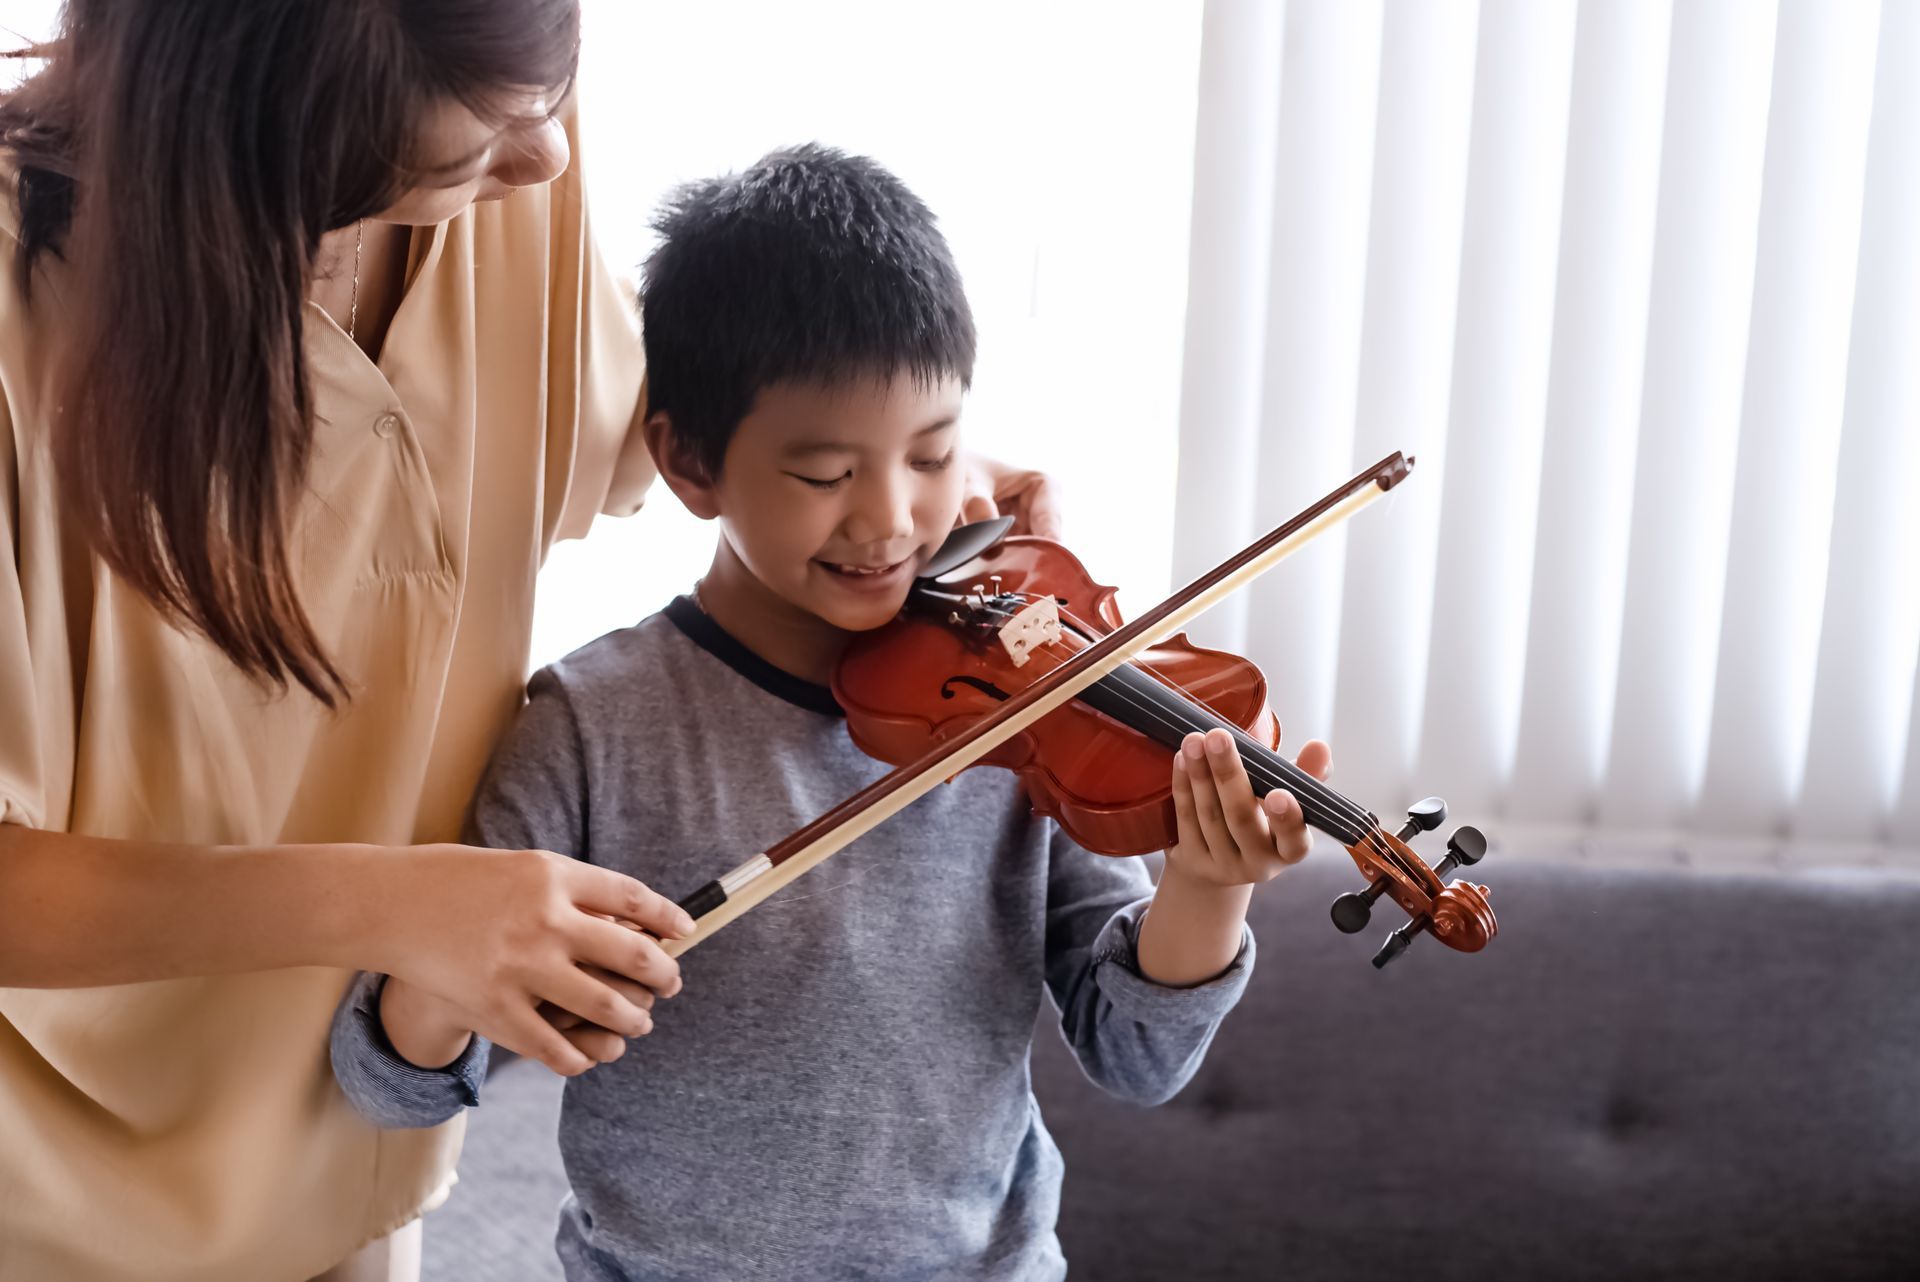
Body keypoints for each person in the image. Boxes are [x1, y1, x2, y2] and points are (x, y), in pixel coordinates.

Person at [0, 5, 1056, 1280]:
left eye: (551, 96)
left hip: (354, 1171)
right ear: (256, 143)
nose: (545, 163)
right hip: (61, 1206)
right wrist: (408, 904)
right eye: (463, 158)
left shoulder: (510, 155)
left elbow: (636, 423)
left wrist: (904, 482)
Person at [330, 144, 1332, 1281]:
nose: (892, 519)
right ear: (690, 462)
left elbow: (1136, 1054)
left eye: (935, 455)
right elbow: (394, 1086)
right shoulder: (593, 722)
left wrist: (1209, 886)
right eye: (824, 476)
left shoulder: (1024, 709)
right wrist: (447, 972)